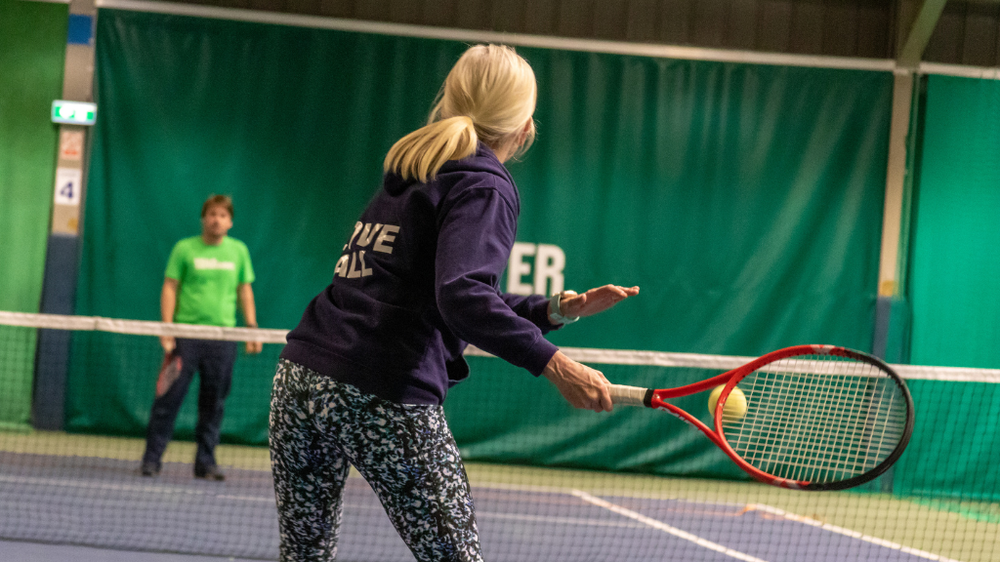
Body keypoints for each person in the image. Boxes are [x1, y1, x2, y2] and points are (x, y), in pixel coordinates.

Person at [269, 44, 639, 562]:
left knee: (305, 555)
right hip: (382, 391)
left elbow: (437, 290)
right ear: (525, 125)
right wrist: (554, 363)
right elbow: (461, 295)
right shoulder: (484, 185)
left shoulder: (417, 166)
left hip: (301, 379)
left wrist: (555, 310)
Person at [141, 194, 261, 480]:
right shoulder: (184, 249)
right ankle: (152, 459)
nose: (216, 219)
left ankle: (205, 462)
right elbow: (170, 287)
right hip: (185, 337)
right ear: (203, 219)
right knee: (168, 399)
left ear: (230, 221)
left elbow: (245, 290)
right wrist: (167, 327)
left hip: (223, 339)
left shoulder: (238, 251)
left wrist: (252, 327)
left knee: (214, 404)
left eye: (222, 215)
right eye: (211, 214)